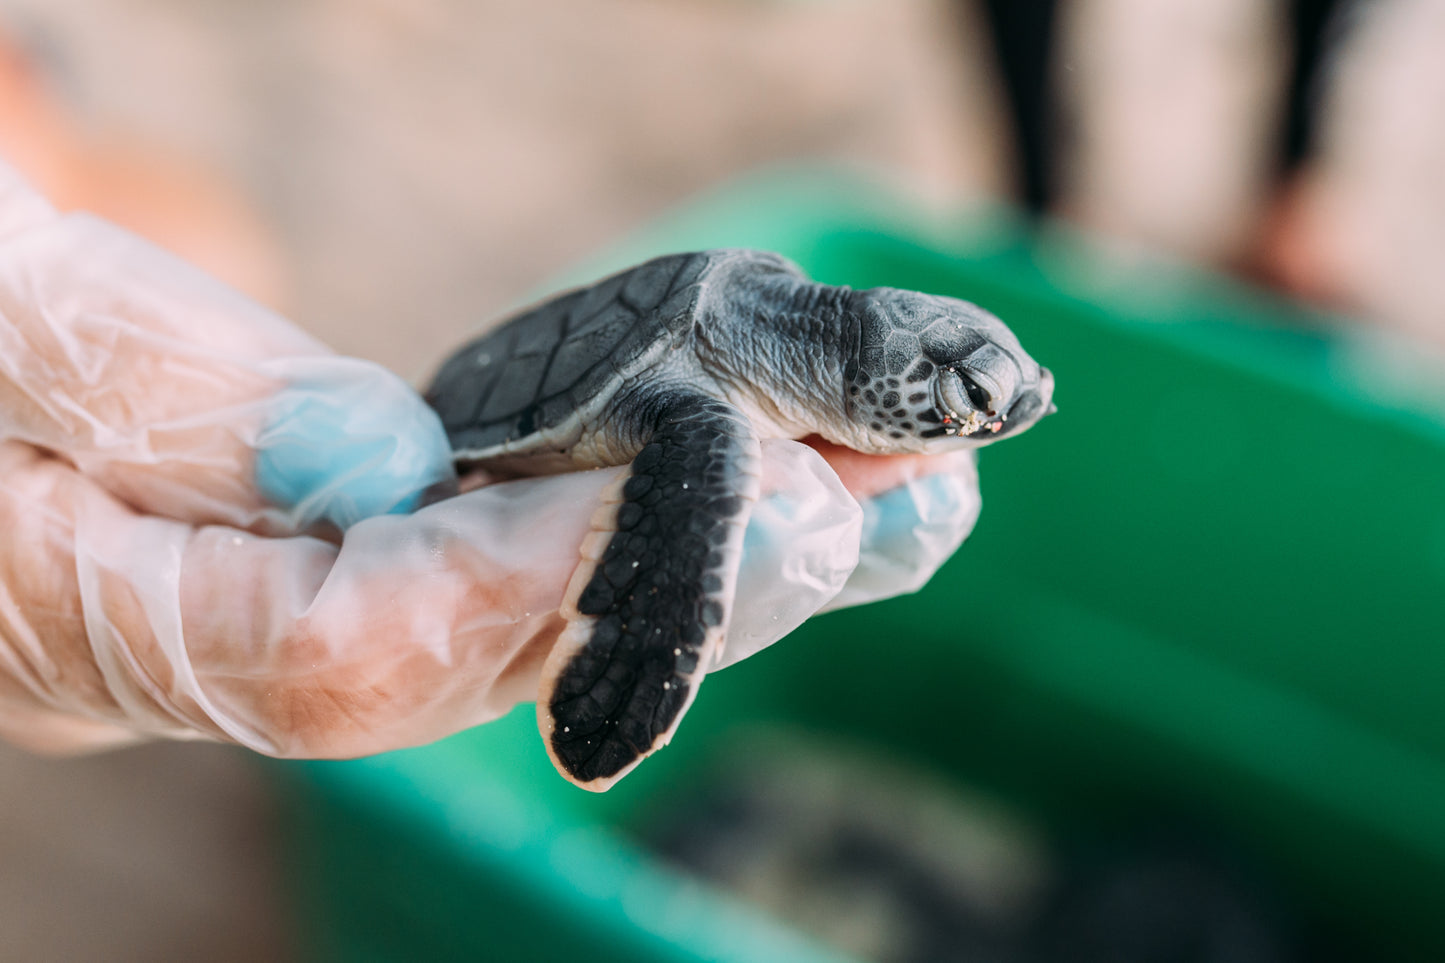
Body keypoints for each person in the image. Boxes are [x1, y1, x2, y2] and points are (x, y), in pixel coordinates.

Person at [0, 161, 983, 760]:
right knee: (706, 489)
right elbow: (680, 516)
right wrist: (637, 650)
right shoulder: (711, 408)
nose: (983, 424)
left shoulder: (779, 327)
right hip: (466, 431)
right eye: (966, 408)